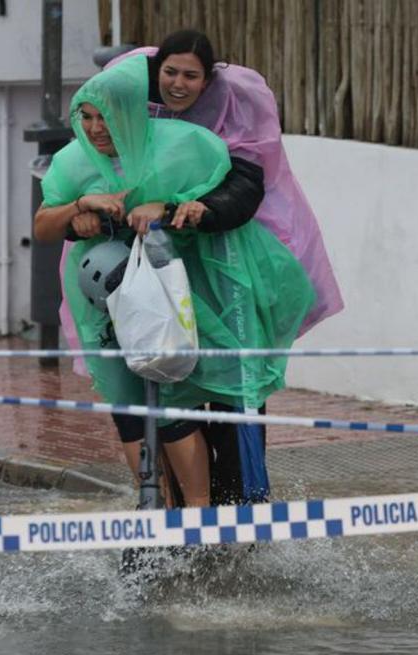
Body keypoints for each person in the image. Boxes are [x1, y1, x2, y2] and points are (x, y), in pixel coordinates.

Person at [33, 55, 315, 507]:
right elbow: (45, 224)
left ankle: (205, 518)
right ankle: (157, 514)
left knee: (187, 400)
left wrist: (168, 207)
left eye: (106, 116)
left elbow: (233, 189)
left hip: (190, 294)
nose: (95, 128)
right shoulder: (72, 162)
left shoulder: (190, 145)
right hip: (106, 302)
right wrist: (79, 210)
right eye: (86, 117)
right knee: (129, 406)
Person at [95, 30, 344, 507]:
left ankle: (240, 516)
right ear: (156, 72)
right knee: (167, 392)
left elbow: (247, 187)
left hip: (227, 279)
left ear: (208, 80)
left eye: (191, 75)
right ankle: (173, 514)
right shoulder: (133, 114)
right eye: (170, 72)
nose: (178, 84)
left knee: (234, 394)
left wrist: (199, 209)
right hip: (158, 282)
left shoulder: (237, 111)